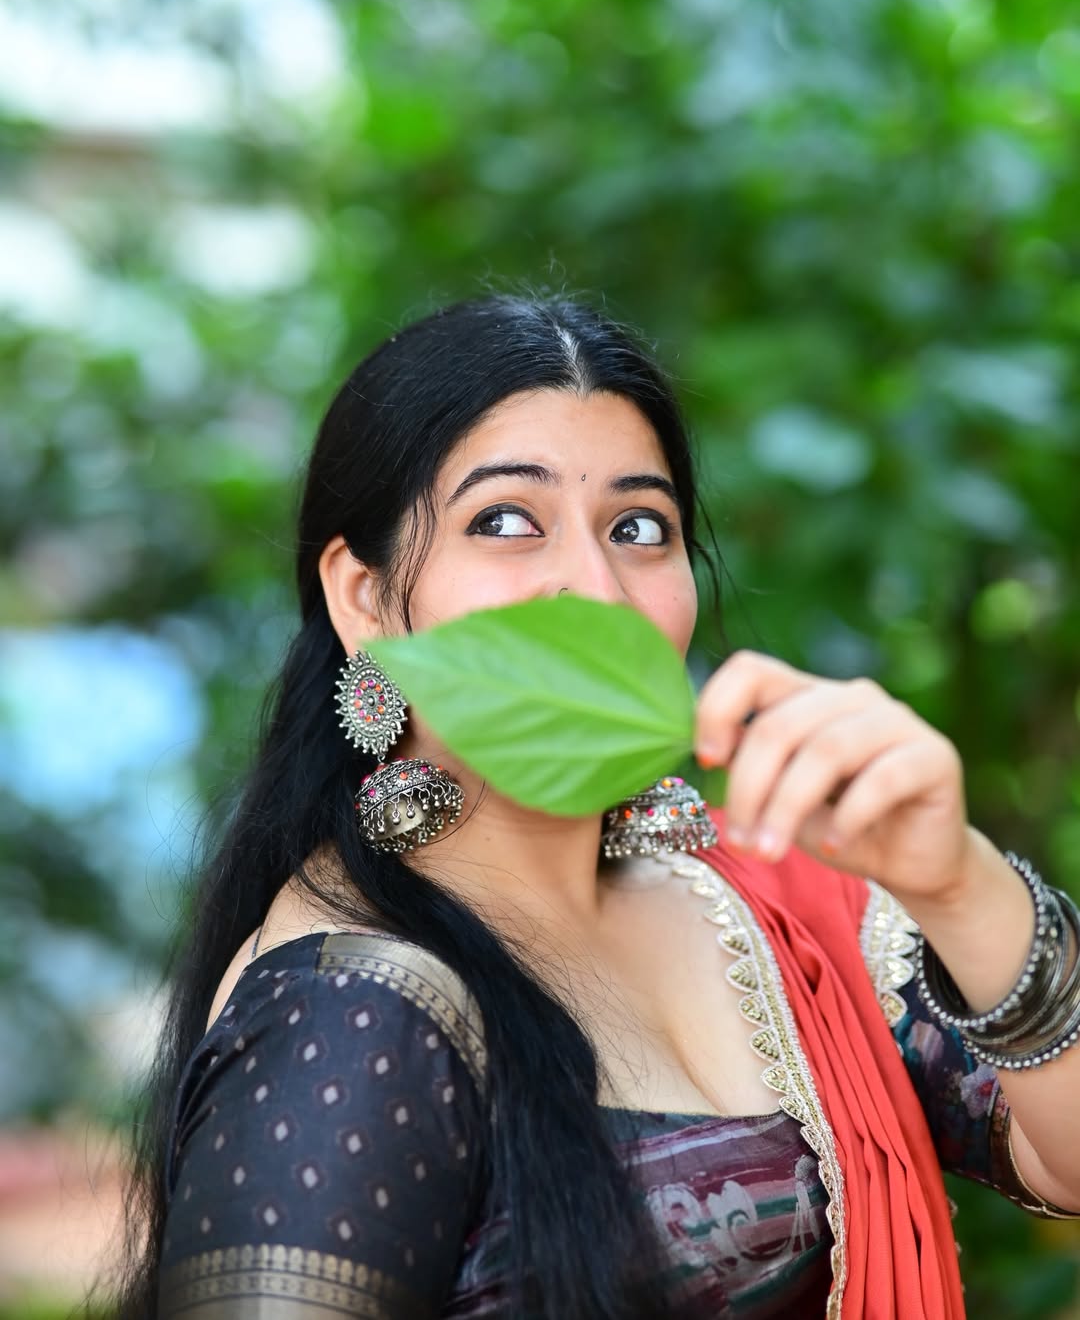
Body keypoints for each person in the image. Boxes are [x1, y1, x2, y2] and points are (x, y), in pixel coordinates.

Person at [113, 292, 1080, 1320]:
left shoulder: (777, 906)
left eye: (637, 527)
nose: (596, 587)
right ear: (363, 597)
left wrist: (961, 885)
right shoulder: (349, 1006)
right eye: (504, 521)